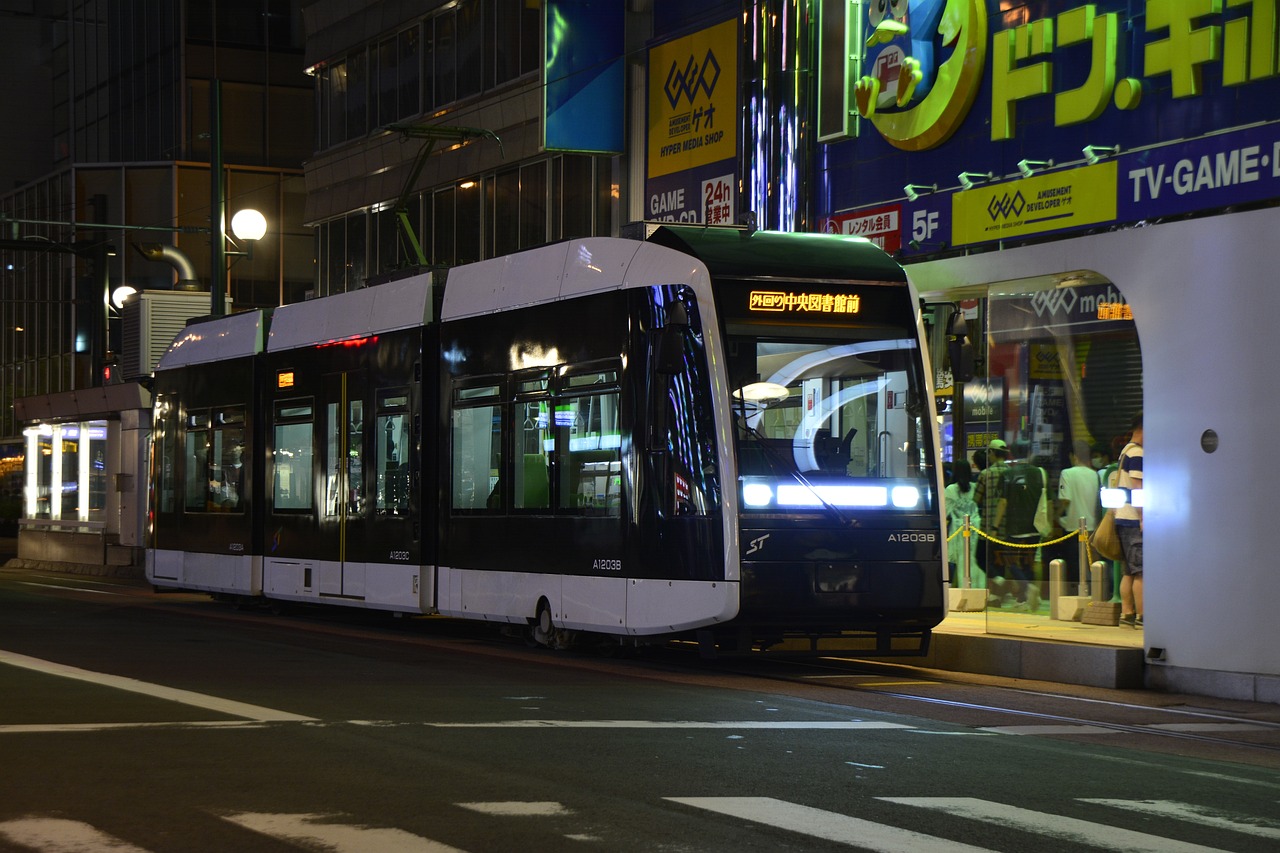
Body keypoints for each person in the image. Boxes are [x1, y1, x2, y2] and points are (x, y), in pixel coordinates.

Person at [992, 442, 1046, 610]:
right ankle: (1023, 600)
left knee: (1010, 561)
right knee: (1028, 562)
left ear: (1012, 455)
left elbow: (1002, 502)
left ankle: (1027, 587)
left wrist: (994, 527)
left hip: (1014, 527)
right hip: (1035, 527)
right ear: (1030, 453)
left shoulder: (1008, 474)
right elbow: (1048, 500)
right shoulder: (1039, 473)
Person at [1056, 439, 1101, 590]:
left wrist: (1055, 517)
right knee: (1092, 565)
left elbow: (1065, 501)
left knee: (1075, 566)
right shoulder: (1096, 475)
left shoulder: (1067, 473)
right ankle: (1094, 595)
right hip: (1093, 528)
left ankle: (1076, 595)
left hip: (1073, 528)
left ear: (1073, 456)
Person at [1116, 413, 1144, 628]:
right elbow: (1138, 488)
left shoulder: (1125, 451)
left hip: (1122, 517)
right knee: (1141, 572)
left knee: (1129, 570)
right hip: (1134, 519)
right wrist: (1143, 517)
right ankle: (1142, 617)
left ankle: (1127, 614)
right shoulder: (1137, 453)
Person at [973, 438, 1008, 604]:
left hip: (988, 525)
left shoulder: (985, 474)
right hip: (1007, 526)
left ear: (992, 453)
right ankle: (998, 596)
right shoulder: (1011, 473)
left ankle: (999, 581)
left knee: (981, 557)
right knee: (999, 559)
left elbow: (976, 499)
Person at [944, 458, 984, 588]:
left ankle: (962, 588)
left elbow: (945, 512)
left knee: (960, 559)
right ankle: (977, 587)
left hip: (958, 529)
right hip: (976, 527)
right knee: (972, 559)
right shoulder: (974, 487)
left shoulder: (950, 489)